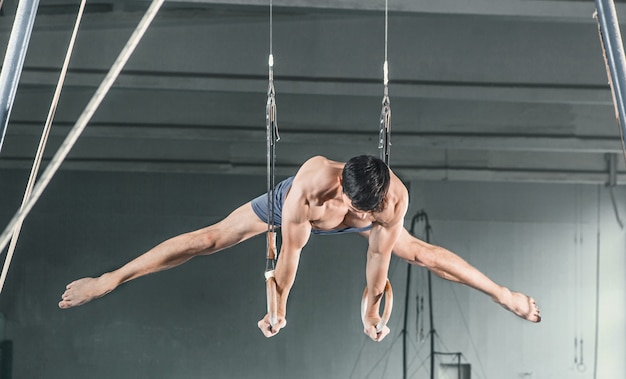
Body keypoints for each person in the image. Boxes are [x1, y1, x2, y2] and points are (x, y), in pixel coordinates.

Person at [58, 155, 541, 342]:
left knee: (425, 254)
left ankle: (502, 294)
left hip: (354, 216)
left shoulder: (391, 199)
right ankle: (110, 279)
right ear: (343, 191)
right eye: (359, 208)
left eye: (373, 212)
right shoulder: (308, 191)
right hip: (293, 212)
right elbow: (286, 262)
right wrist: (278, 308)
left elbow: (380, 258)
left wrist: (369, 313)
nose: (366, 218)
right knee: (209, 239)